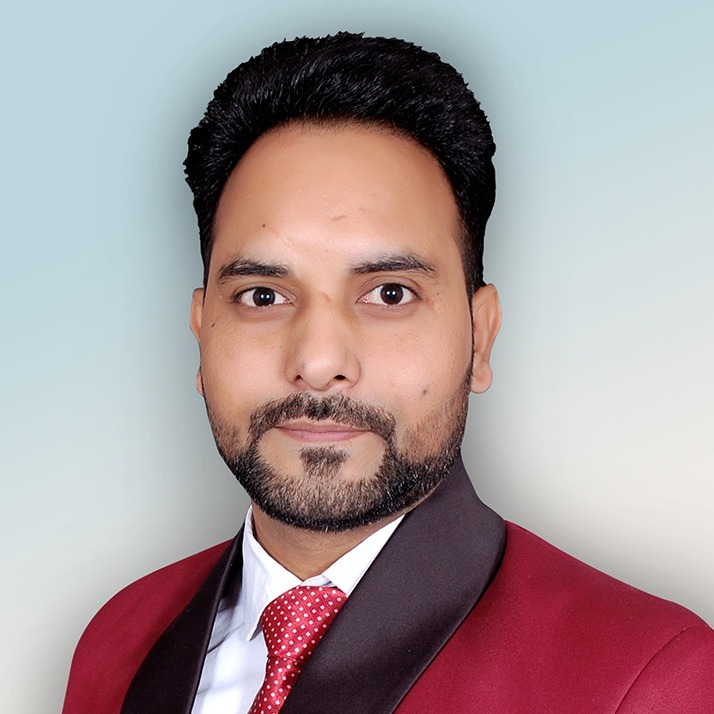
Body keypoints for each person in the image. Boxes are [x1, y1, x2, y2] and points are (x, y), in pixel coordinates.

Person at [62, 33, 714, 713]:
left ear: (481, 337)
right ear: (201, 332)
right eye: (262, 296)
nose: (319, 363)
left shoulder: (644, 675)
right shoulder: (119, 641)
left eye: (390, 293)